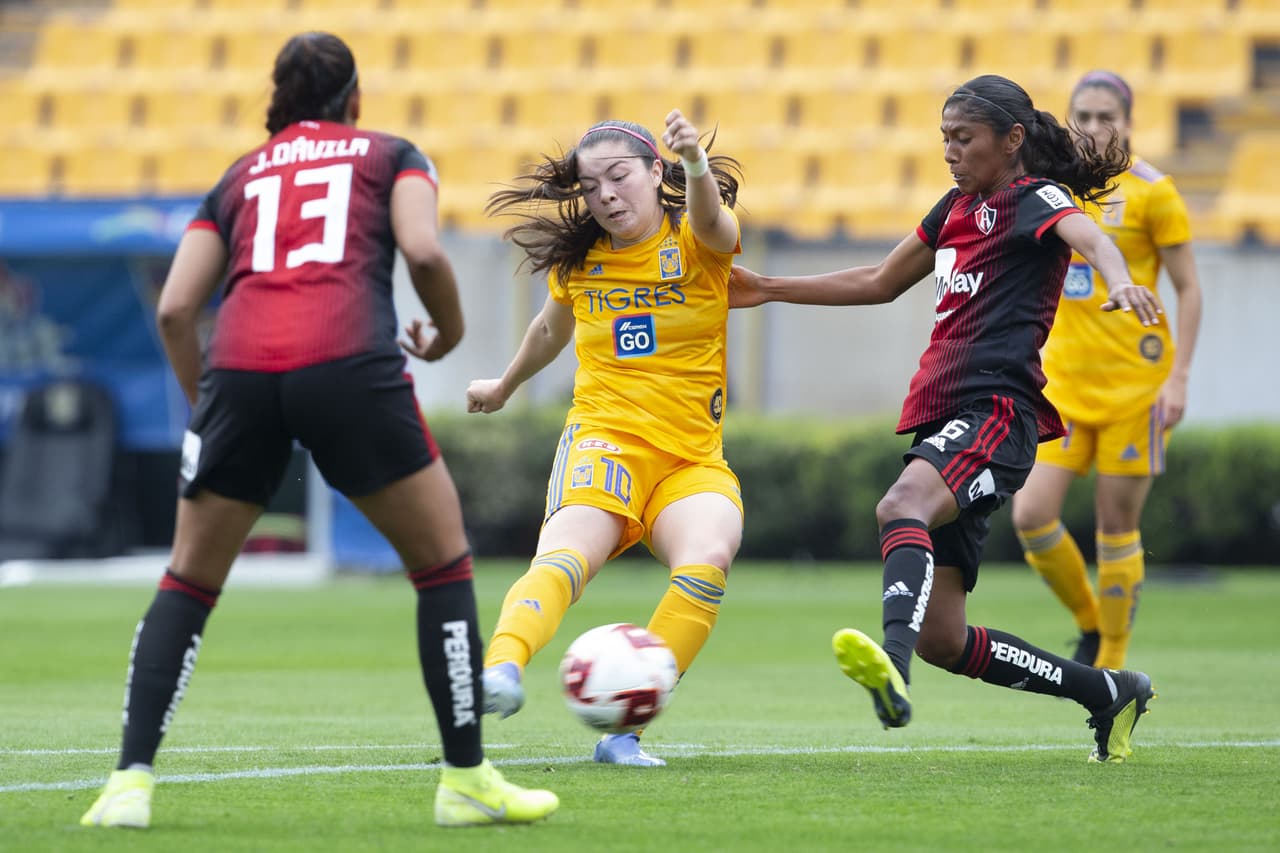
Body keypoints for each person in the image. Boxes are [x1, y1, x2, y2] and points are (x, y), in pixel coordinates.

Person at [79, 32, 557, 830]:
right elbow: (424, 249)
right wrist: (447, 330)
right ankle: (466, 778)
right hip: (347, 366)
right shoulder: (392, 154)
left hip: (238, 375)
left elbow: (174, 308)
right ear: (354, 98)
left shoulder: (236, 178)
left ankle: (126, 785)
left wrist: (208, 401)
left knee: (188, 582)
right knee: (441, 565)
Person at [729, 75, 1160, 763]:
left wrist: (1121, 279)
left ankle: (890, 668)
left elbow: (1089, 235)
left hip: (997, 411)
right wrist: (769, 288)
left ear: (1012, 140)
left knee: (900, 504)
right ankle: (1106, 690)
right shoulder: (956, 207)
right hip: (947, 419)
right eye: (945, 140)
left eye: (964, 139)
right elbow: (878, 280)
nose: (951, 153)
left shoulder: (1033, 199)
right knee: (945, 639)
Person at [465, 111, 744, 767]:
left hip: (689, 457)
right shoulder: (582, 263)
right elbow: (548, 330)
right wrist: (505, 385)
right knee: (566, 558)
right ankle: (501, 668)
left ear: (656, 172)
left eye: (619, 177)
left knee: (710, 555)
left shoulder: (696, 241)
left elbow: (717, 223)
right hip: (605, 441)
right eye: (591, 187)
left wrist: (695, 164)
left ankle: (624, 734)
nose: (606, 196)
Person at [1011, 70, 1203, 670]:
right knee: (1031, 515)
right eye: (1083, 116)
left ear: (1128, 121)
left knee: (1115, 526)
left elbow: (1189, 289)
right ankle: (1093, 623)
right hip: (1061, 385)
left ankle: (1113, 665)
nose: (1093, 128)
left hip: (1134, 388)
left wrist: (1179, 379)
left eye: (1106, 117)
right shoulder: (1050, 184)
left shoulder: (1153, 192)